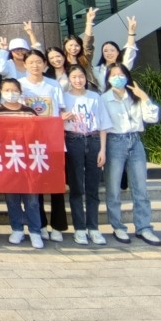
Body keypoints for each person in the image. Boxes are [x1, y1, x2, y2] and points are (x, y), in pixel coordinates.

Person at [102, 63, 161, 246]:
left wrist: (144, 98)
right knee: (113, 188)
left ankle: (144, 227)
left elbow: (152, 118)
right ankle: (117, 226)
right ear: (108, 78)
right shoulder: (104, 99)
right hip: (114, 142)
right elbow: (102, 126)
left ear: (127, 76)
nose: (118, 78)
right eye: (113, 75)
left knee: (140, 188)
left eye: (121, 74)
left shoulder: (135, 96)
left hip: (135, 141)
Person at [19, 49, 68, 242]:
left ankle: (58, 226)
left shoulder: (53, 85)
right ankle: (39, 224)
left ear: (45, 64)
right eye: (31, 62)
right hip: (30, 143)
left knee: (56, 185)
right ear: (25, 64)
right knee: (35, 187)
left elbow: (61, 110)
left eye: (39, 62)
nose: (35, 65)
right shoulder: (20, 85)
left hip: (52, 141)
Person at [0, 78, 43, 249]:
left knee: (32, 199)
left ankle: (35, 231)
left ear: (20, 92)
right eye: (7, 90)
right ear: (1, 91)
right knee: (12, 198)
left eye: (14, 90)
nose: (11, 93)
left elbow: (37, 135)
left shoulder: (29, 112)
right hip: (7, 160)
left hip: (27, 161)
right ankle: (17, 229)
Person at [62, 65, 111, 246]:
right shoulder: (64, 97)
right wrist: (62, 118)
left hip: (94, 140)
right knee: (76, 188)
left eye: (81, 76)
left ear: (86, 78)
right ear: (69, 79)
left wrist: (102, 150)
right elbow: (55, 122)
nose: (78, 80)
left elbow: (103, 125)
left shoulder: (95, 97)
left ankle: (93, 227)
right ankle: (80, 229)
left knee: (93, 187)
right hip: (73, 140)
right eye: (74, 77)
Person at [95, 15, 139, 90]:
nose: (109, 53)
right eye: (105, 51)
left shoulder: (123, 66)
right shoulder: (96, 70)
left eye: (112, 50)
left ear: (118, 52)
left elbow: (130, 50)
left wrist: (131, 33)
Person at [63, 7, 98, 87]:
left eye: (76, 45)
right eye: (70, 45)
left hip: (88, 88)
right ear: (65, 46)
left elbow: (88, 42)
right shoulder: (62, 60)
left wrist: (89, 22)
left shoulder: (85, 57)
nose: (73, 48)